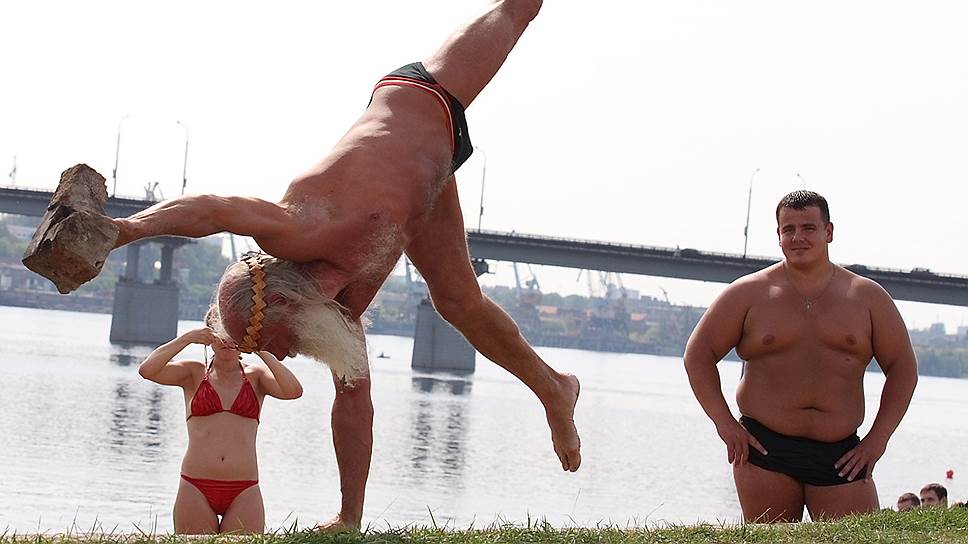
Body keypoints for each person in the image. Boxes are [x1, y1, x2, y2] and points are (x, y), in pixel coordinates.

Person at [32, 0, 580, 530]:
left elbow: (216, 209)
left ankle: (553, 391)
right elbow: (354, 402)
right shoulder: (338, 313)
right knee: (459, 303)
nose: (280, 354)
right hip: (428, 190)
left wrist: (124, 231)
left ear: (280, 302)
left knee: (520, 6)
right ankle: (555, 388)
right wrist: (349, 519)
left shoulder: (301, 228)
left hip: (424, 99)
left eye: (272, 341)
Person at [683, 190, 918, 522]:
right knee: (773, 540)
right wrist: (725, 424)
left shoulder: (866, 297)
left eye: (808, 228)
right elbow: (698, 355)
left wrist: (878, 439)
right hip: (763, 447)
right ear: (778, 235)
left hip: (842, 453)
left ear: (828, 232)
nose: (798, 237)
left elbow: (903, 369)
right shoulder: (748, 292)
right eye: (788, 229)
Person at [139, 323, 303, 533]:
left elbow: (293, 391)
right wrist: (187, 338)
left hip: (245, 489)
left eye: (233, 335)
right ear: (209, 336)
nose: (226, 341)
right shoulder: (193, 372)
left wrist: (261, 350)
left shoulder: (257, 376)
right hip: (195, 486)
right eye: (220, 334)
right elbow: (147, 370)